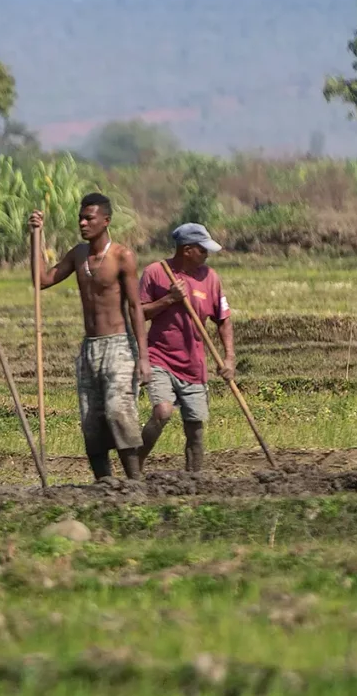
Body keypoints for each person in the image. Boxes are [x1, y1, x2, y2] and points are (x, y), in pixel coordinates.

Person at [27, 193, 150, 485]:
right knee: (92, 420)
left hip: (119, 345)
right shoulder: (78, 254)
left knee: (118, 411)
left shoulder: (122, 256)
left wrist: (142, 358)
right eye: (80, 218)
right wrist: (36, 236)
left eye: (89, 218)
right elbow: (41, 281)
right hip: (89, 348)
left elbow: (135, 307)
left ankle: (135, 482)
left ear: (105, 221)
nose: (82, 223)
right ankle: (104, 484)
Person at [137, 223, 235, 474]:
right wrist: (169, 299)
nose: (207, 255)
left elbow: (223, 320)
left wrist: (228, 358)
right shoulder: (156, 273)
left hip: (194, 366)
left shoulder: (210, 278)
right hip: (160, 358)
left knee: (196, 429)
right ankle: (134, 467)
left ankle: (194, 480)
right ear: (187, 250)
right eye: (203, 250)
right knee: (163, 411)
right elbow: (138, 313)